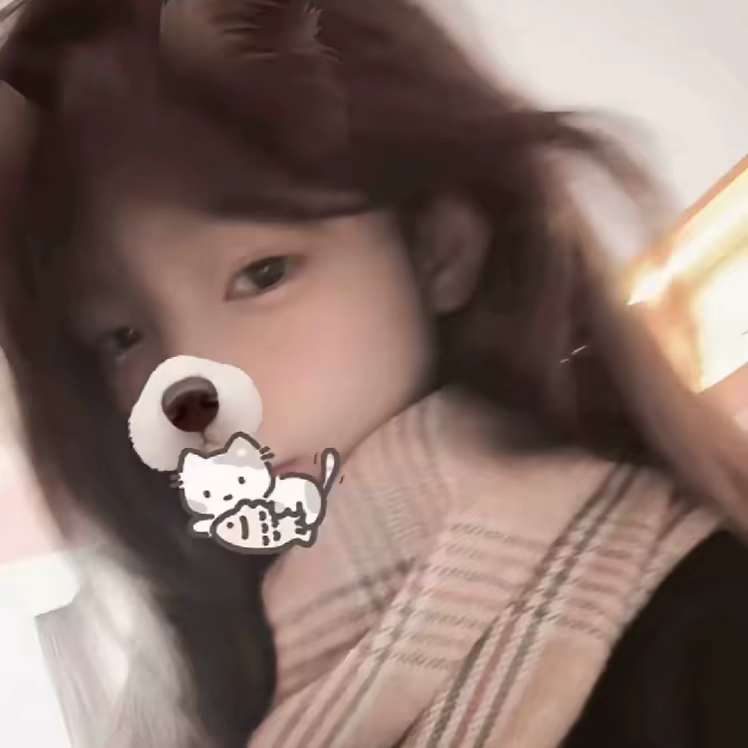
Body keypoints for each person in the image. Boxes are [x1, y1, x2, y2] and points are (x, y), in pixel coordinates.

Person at [1, 1, 747, 746]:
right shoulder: (183, 689)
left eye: (263, 274)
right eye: (122, 337)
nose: (193, 391)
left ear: (438, 247)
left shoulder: (706, 621)